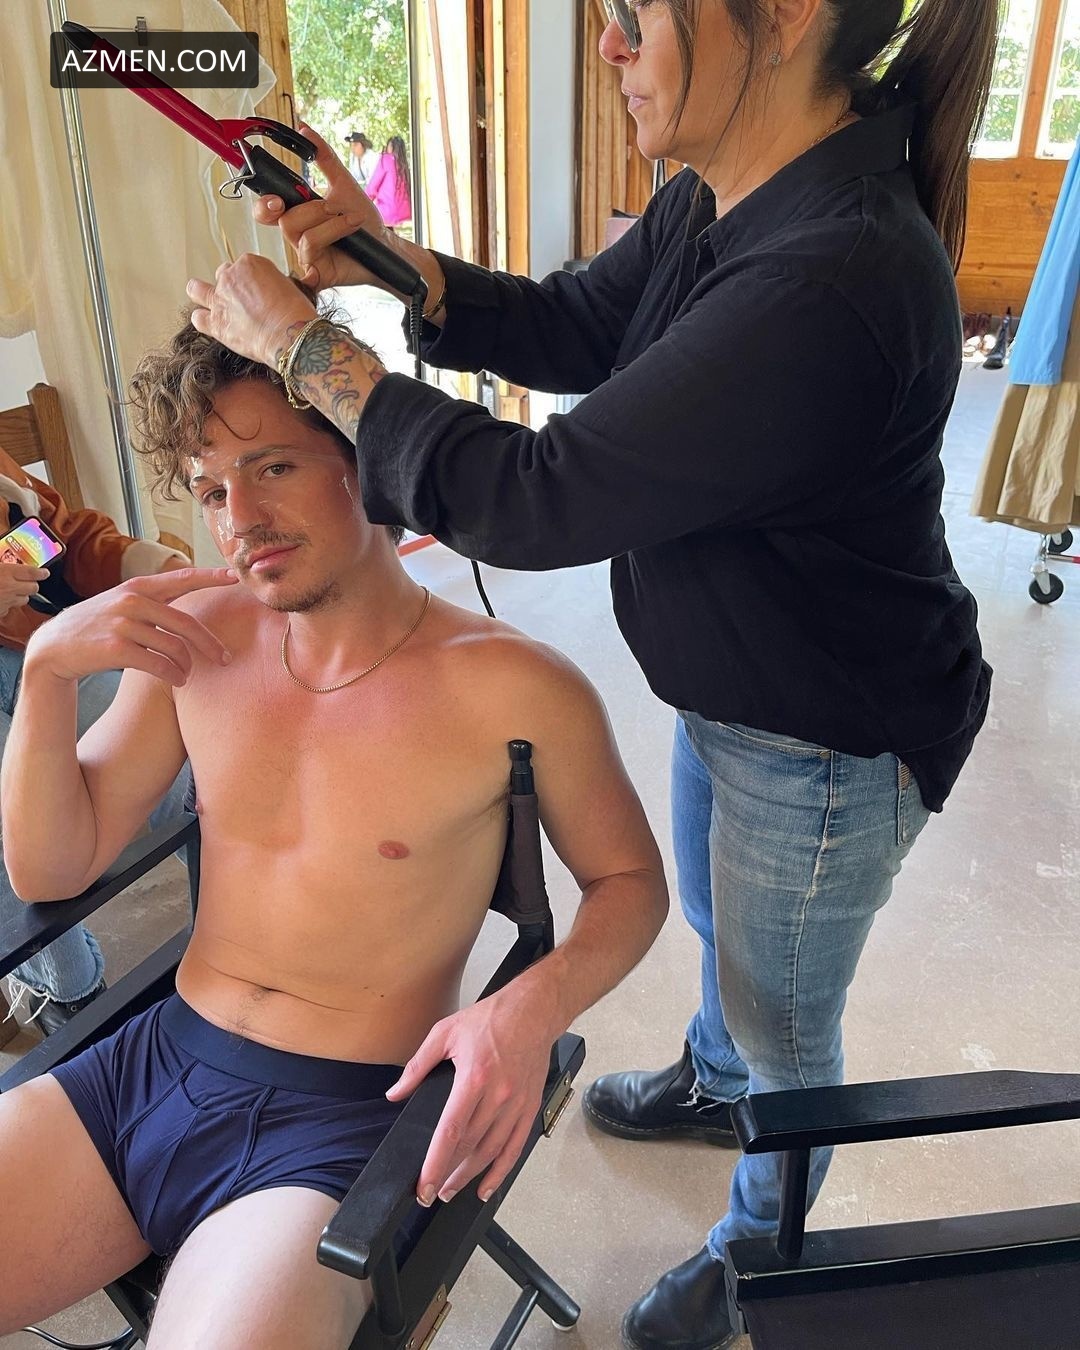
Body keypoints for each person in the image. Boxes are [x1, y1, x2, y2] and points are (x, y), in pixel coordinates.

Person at [192, 1, 1001, 1346]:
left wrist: (305, 349)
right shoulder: (727, 187)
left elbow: (534, 495)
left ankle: (761, 1257)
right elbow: (575, 324)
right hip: (734, 692)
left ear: (783, 18)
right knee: (729, 944)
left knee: (790, 1033)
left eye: (634, 16)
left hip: (828, 737)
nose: (613, 47)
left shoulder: (834, 275)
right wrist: (389, 262)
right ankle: (713, 1076)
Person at [0, 316, 668, 1348]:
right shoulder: (197, 642)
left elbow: (629, 882)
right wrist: (46, 673)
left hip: (344, 1121)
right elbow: (51, 866)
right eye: (211, 491)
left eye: (273, 467)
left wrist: (530, 1007)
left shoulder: (515, 684)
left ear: (369, 461)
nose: (241, 520)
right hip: (149, 1068)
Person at [0, 441, 189, 1035]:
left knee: (173, 738)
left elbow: (58, 536)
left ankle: (241, 918)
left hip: (29, 644)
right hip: (31, 654)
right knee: (15, 834)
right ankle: (73, 999)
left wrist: (144, 563)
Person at [363, 135, 412, 231]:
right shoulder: (406, 166)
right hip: (406, 215)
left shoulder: (386, 160)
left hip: (387, 215)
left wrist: (362, 202)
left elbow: (372, 188)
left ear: (390, 147)